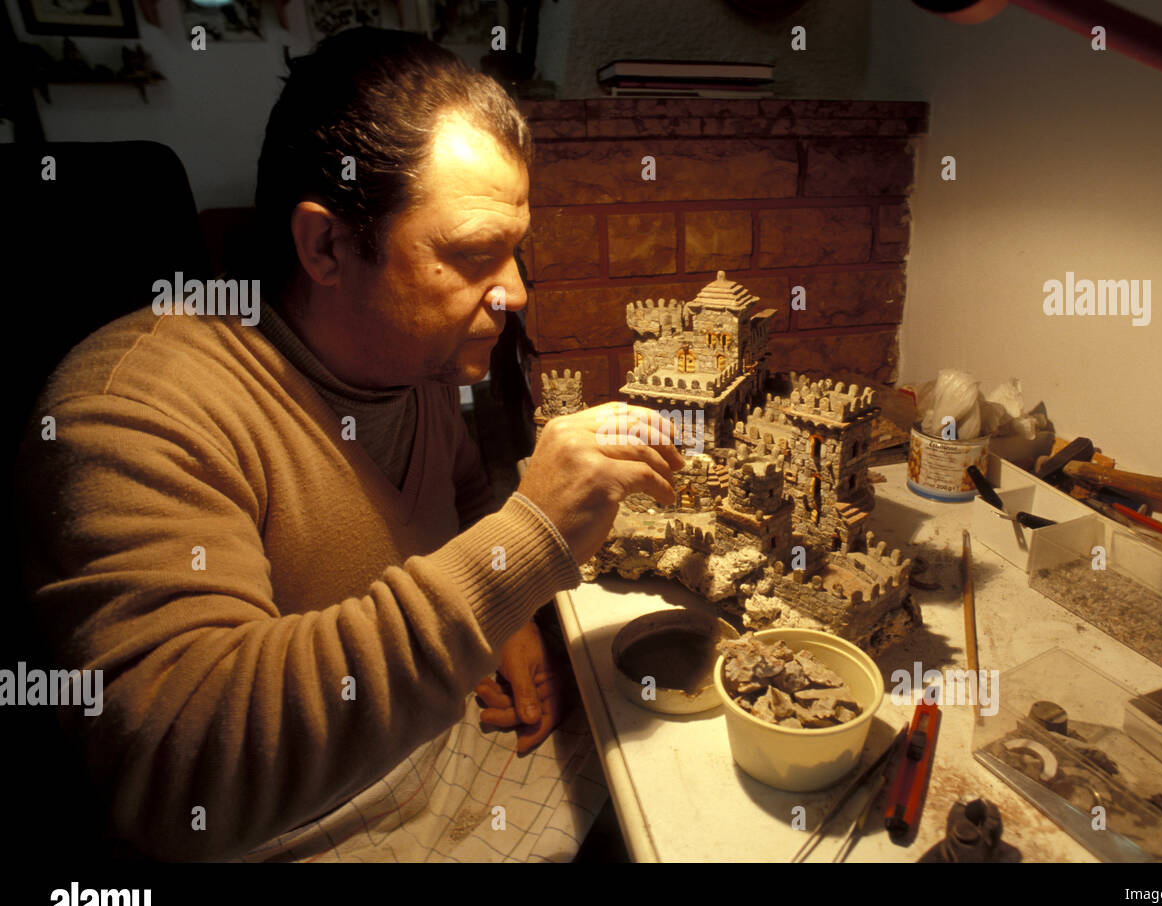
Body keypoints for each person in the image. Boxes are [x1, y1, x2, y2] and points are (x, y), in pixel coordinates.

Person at [15, 28, 683, 862]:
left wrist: (507, 620)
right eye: (475, 255)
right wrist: (526, 547)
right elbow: (177, 767)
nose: (514, 292)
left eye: (515, 251)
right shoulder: (133, 411)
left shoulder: (420, 355)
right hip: (302, 823)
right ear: (328, 246)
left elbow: (465, 490)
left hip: (442, 746)